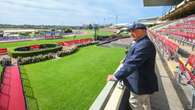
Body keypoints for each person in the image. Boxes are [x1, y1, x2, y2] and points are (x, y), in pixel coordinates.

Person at [107, 23, 158, 110]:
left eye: (134, 31)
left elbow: (133, 63)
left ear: (144, 31)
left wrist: (115, 76)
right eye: (130, 31)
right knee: (145, 103)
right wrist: (125, 60)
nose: (131, 33)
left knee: (134, 103)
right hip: (144, 83)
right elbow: (133, 56)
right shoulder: (141, 42)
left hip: (142, 83)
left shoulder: (145, 44)